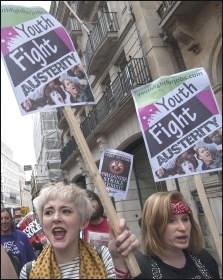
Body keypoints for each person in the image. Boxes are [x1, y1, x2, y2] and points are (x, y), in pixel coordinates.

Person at [19, 182, 139, 279]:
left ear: (83, 222)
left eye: (66, 211)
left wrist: (119, 262)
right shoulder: (29, 272)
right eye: (49, 212)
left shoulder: (104, 257)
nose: (55, 218)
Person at [134, 191, 220, 279]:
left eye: (185, 219)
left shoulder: (203, 258)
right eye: (171, 221)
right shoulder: (139, 267)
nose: (182, 228)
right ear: (154, 227)